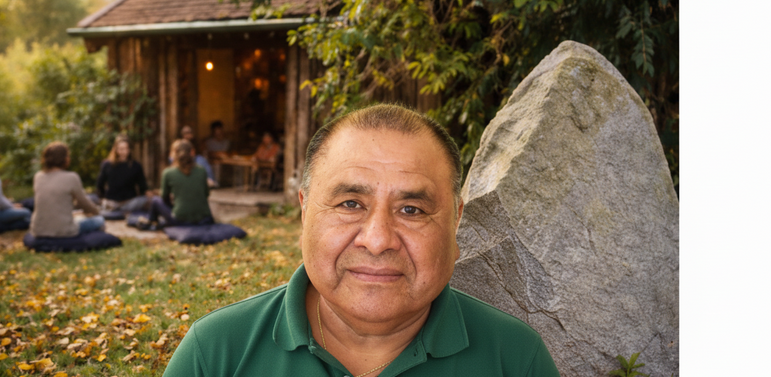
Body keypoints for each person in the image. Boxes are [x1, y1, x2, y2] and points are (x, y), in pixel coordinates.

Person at [163, 105, 559, 376]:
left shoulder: (516, 360)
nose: (377, 240)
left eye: (412, 210)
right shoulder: (215, 354)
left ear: (454, 221)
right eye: (350, 203)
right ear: (305, 211)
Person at [30, 142, 104, 237]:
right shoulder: (72, 177)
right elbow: (84, 203)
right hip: (64, 231)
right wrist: (97, 212)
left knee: (76, 217)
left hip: (38, 231)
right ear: (64, 159)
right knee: (99, 220)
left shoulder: (38, 176)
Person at [142, 139, 213, 229]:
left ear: (174, 153)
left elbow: (164, 197)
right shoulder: (202, 170)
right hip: (204, 220)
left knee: (155, 200)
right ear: (191, 152)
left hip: (181, 221)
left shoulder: (168, 172)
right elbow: (206, 194)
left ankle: (151, 222)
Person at [95, 136, 153, 212]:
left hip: (130, 203)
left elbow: (143, 187)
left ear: (129, 150)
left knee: (148, 200)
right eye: (121, 149)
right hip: (111, 203)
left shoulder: (136, 166)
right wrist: (102, 198)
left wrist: (149, 195)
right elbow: (99, 185)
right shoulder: (107, 164)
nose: (124, 152)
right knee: (91, 198)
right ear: (116, 149)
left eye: (126, 149)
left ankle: (119, 210)